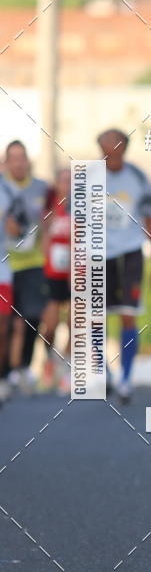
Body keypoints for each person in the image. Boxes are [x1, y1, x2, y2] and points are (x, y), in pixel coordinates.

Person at [98, 129, 151, 404]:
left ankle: (125, 379)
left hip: (130, 254)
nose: (109, 158)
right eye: (105, 153)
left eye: (114, 152)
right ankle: (104, 372)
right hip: (99, 255)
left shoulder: (138, 177)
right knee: (96, 317)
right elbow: (78, 223)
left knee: (127, 315)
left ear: (124, 149)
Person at [4, 140, 49, 395]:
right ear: (6, 162)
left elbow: (53, 217)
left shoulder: (42, 188)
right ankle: (7, 372)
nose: (19, 163)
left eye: (22, 158)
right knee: (8, 320)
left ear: (28, 161)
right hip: (6, 263)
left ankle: (24, 367)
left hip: (34, 262)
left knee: (32, 317)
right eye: (14, 158)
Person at [41, 167, 71, 393]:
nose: (67, 185)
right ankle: (49, 357)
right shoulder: (50, 207)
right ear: (57, 184)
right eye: (63, 181)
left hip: (74, 271)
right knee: (50, 324)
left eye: (71, 181)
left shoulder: (81, 209)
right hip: (53, 271)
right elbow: (44, 238)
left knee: (74, 321)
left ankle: (66, 368)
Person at [0, 172, 21, 404]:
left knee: (3, 327)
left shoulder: (8, 189)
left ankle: (2, 377)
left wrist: (14, 227)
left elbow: (21, 228)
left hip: (2, 271)